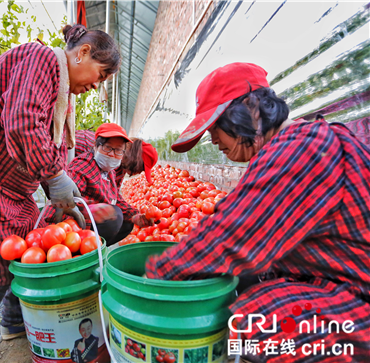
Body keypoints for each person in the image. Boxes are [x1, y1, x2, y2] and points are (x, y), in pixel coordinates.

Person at [145, 63, 370, 362]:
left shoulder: (302, 149)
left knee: (259, 320)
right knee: (251, 279)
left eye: (215, 129)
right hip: (340, 278)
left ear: (244, 115)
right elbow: (241, 213)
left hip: (360, 297)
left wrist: (151, 281)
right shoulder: (297, 144)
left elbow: (230, 234)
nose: (213, 141)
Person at [0, 23, 121, 363]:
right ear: (83, 53)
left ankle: (15, 324)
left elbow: (43, 140)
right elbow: (22, 122)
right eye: (101, 74)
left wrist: (55, 184)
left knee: (22, 241)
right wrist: (54, 176)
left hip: (2, 179)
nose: (96, 85)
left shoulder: (59, 91)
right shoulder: (41, 59)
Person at [49, 123, 153, 245]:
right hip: (69, 229)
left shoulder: (110, 171)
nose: (112, 154)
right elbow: (65, 199)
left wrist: (135, 215)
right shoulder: (83, 166)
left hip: (85, 226)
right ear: (96, 146)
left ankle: (96, 248)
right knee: (115, 216)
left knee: (126, 221)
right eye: (107, 147)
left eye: (118, 150)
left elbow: (115, 198)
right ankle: (83, 251)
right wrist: (91, 209)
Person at [74, 128, 158, 187]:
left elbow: (114, 195)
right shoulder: (84, 142)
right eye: (141, 169)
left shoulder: (120, 169)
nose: (139, 173)